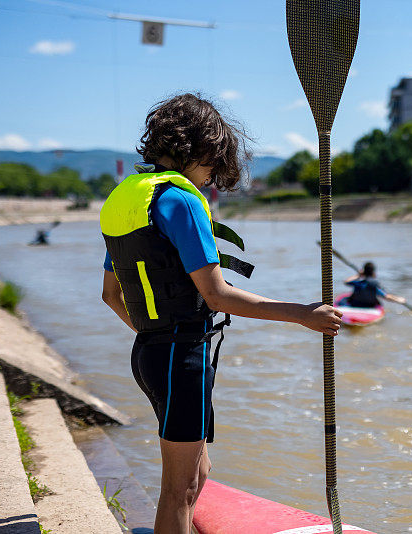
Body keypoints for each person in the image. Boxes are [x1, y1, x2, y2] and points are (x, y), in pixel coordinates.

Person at [99, 93, 342, 534]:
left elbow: (111, 295)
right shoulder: (182, 202)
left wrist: (156, 334)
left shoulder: (124, 198)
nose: (213, 178)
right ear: (203, 147)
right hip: (179, 358)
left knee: (200, 473)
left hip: (150, 355)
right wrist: (302, 313)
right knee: (180, 489)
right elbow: (217, 296)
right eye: (214, 165)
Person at [342, 262, 407, 308]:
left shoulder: (358, 283)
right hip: (369, 306)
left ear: (363, 272)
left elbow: (346, 281)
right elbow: (386, 296)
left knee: (345, 299)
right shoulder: (374, 285)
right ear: (373, 273)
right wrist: (399, 299)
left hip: (355, 305)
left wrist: (358, 275)